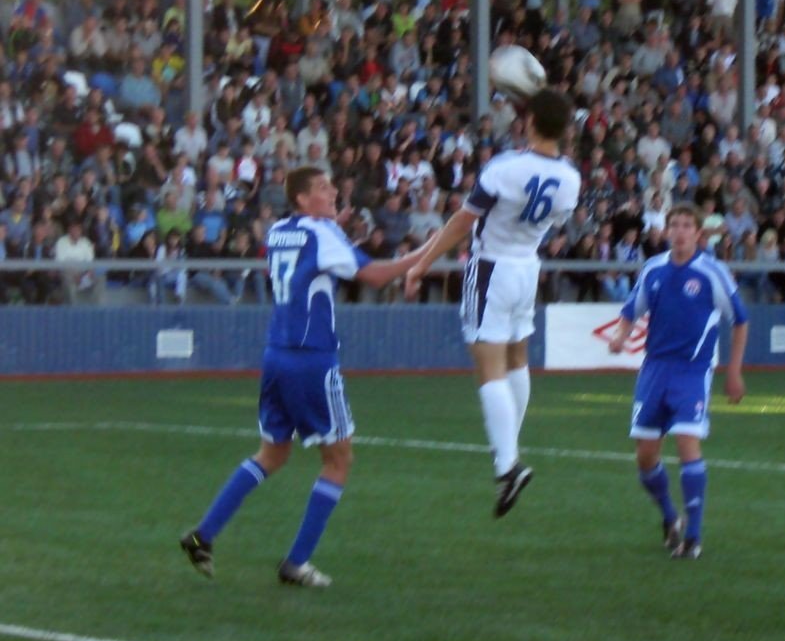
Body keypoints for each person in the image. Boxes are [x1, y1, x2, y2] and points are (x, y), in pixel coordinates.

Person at [181, 166, 432, 587]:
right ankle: (296, 563)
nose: (334, 192)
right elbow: (375, 275)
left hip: (277, 355)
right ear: (301, 198)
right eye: (323, 188)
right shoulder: (322, 233)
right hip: (312, 359)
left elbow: (314, 256)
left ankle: (202, 535)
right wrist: (427, 253)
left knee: (272, 454)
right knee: (339, 460)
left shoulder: (280, 230)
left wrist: (335, 225)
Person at [404, 89, 581, 517]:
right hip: (528, 267)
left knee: (489, 366)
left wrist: (421, 263)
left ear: (530, 122)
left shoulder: (505, 167)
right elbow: (557, 221)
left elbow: (462, 221)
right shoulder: (571, 178)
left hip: (491, 267)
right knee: (517, 358)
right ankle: (509, 448)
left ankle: (507, 464)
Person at [608, 203, 749, 560]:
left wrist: (733, 371)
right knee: (645, 457)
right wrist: (621, 336)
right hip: (654, 369)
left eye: (687, 225)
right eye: (675, 224)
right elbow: (632, 309)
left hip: (692, 371)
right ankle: (671, 517)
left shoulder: (712, 272)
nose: (680, 231)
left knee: (687, 444)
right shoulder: (653, 268)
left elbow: (740, 320)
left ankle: (694, 537)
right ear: (667, 230)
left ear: (698, 233)